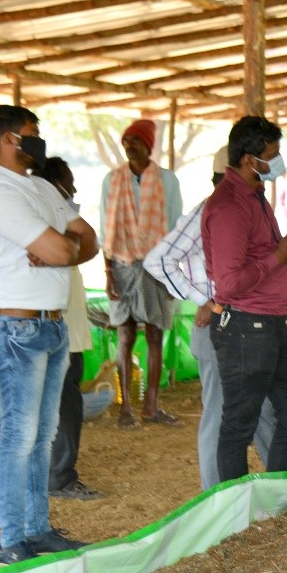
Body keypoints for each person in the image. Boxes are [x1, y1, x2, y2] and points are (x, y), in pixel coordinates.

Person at [0, 104, 98, 565]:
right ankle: (11, 541)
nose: (38, 141)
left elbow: (88, 239)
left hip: (50, 323)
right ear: (10, 139)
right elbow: (64, 246)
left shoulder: (41, 186)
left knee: (43, 435)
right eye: (32, 133)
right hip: (15, 327)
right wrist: (63, 248)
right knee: (19, 436)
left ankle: (37, 529)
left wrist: (64, 250)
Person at [146, 148, 276, 489]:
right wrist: (202, 300)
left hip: (251, 324)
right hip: (219, 323)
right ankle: (217, 497)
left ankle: (281, 482)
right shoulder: (209, 209)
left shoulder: (253, 208)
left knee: (263, 408)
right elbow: (158, 260)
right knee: (219, 414)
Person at [202, 115, 287, 482]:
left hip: (274, 324)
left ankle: (275, 497)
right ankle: (236, 508)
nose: (278, 161)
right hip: (245, 327)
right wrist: (279, 256)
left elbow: (261, 256)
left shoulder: (255, 196)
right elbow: (228, 283)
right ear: (250, 159)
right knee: (239, 427)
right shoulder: (230, 206)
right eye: (272, 155)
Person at [99, 118, 183, 428]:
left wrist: (171, 274)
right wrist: (108, 273)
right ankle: (126, 409)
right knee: (125, 334)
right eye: (126, 140)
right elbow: (105, 229)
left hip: (155, 264)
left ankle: (151, 406)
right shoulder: (112, 180)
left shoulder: (166, 180)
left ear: (148, 145)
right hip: (122, 264)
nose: (129, 144)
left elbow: (175, 226)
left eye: (135, 139)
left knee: (155, 333)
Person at [37, 157, 105, 501]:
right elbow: (86, 242)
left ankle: (54, 473)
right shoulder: (49, 216)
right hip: (62, 329)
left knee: (61, 400)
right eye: (68, 182)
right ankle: (60, 477)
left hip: (68, 324)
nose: (73, 189)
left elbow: (89, 243)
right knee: (65, 403)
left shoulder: (53, 218)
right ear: (53, 185)